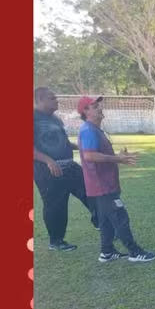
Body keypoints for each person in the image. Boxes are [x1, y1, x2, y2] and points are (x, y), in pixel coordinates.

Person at [76, 96, 155, 263]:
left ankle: (107, 252)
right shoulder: (88, 130)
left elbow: (97, 155)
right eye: (95, 106)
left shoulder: (95, 130)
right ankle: (134, 252)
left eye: (99, 104)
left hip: (102, 185)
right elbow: (90, 155)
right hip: (102, 185)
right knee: (120, 217)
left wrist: (118, 157)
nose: (100, 108)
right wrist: (117, 159)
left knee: (106, 220)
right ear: (86, 111)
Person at [33, 87, 98, 252]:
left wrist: (82, 148)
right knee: (56, 205)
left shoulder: (55, 119)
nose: (56, 100)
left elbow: (62, 141)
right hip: (47, 171)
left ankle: (101, 222)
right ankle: (56, 241)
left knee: (92, 192)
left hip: (69, 165)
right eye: (52, 98)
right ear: (39, 100)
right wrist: (48, 161)